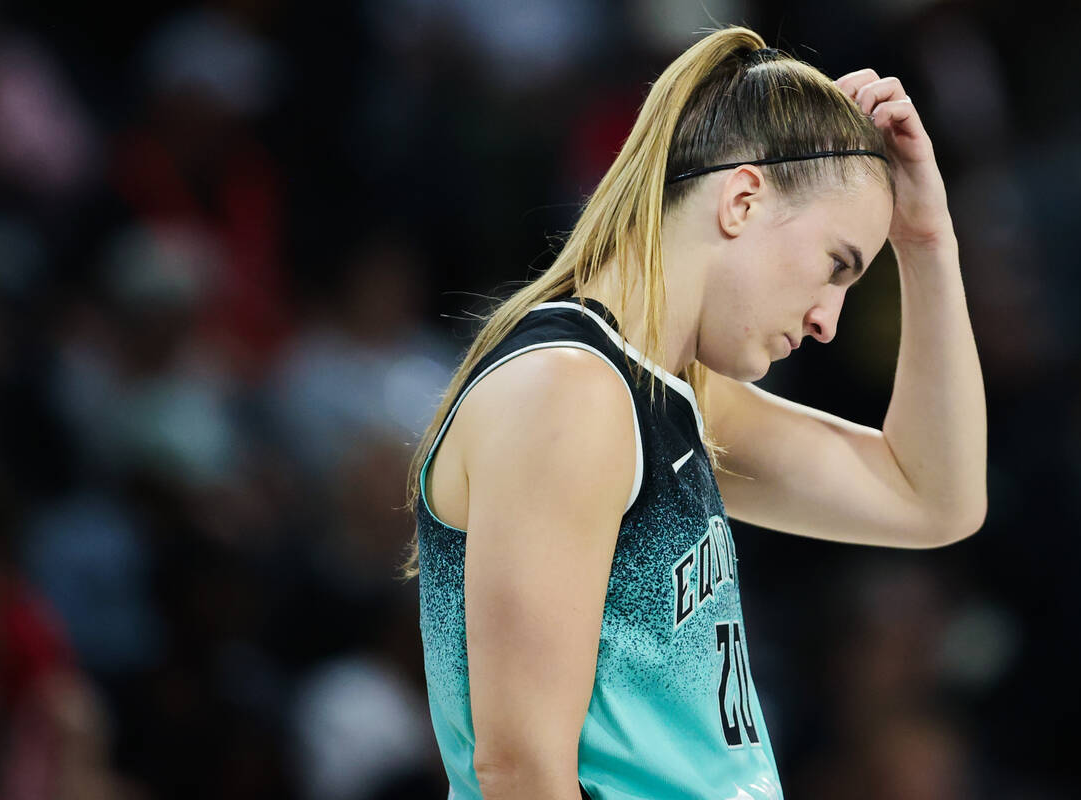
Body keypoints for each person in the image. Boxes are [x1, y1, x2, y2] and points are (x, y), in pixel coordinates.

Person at [400, 24, 987, 800]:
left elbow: (932, 499)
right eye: (836, 267)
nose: (827, 321)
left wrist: (928, 241)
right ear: (742, 199)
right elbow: (520, 772)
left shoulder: (666, 396)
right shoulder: (570, 392)